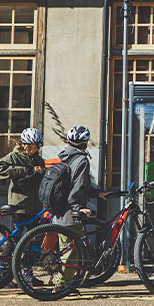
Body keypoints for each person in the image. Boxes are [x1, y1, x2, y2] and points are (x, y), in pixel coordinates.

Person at [51, 125, 108, 293]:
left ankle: (68, 283)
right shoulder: (82, 160)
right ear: (85, 143)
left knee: (66, 248)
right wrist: (79, 208)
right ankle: (60, 286)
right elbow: (78, 187)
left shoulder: (65, 157)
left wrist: (97, 194)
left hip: (60, 210)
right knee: (72, 252)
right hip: (71, 212)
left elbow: (72, 185)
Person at [0, 127, 46, 285]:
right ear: (23, 144)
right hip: (19, 205)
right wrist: (26, 170)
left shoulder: (39, 160)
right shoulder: (14, 157)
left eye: (36, 147)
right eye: (30, 146)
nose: (32, 150)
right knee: (14, 239)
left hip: (35, 206)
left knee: (32, 240)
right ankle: (2, 273)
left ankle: (27, 273)